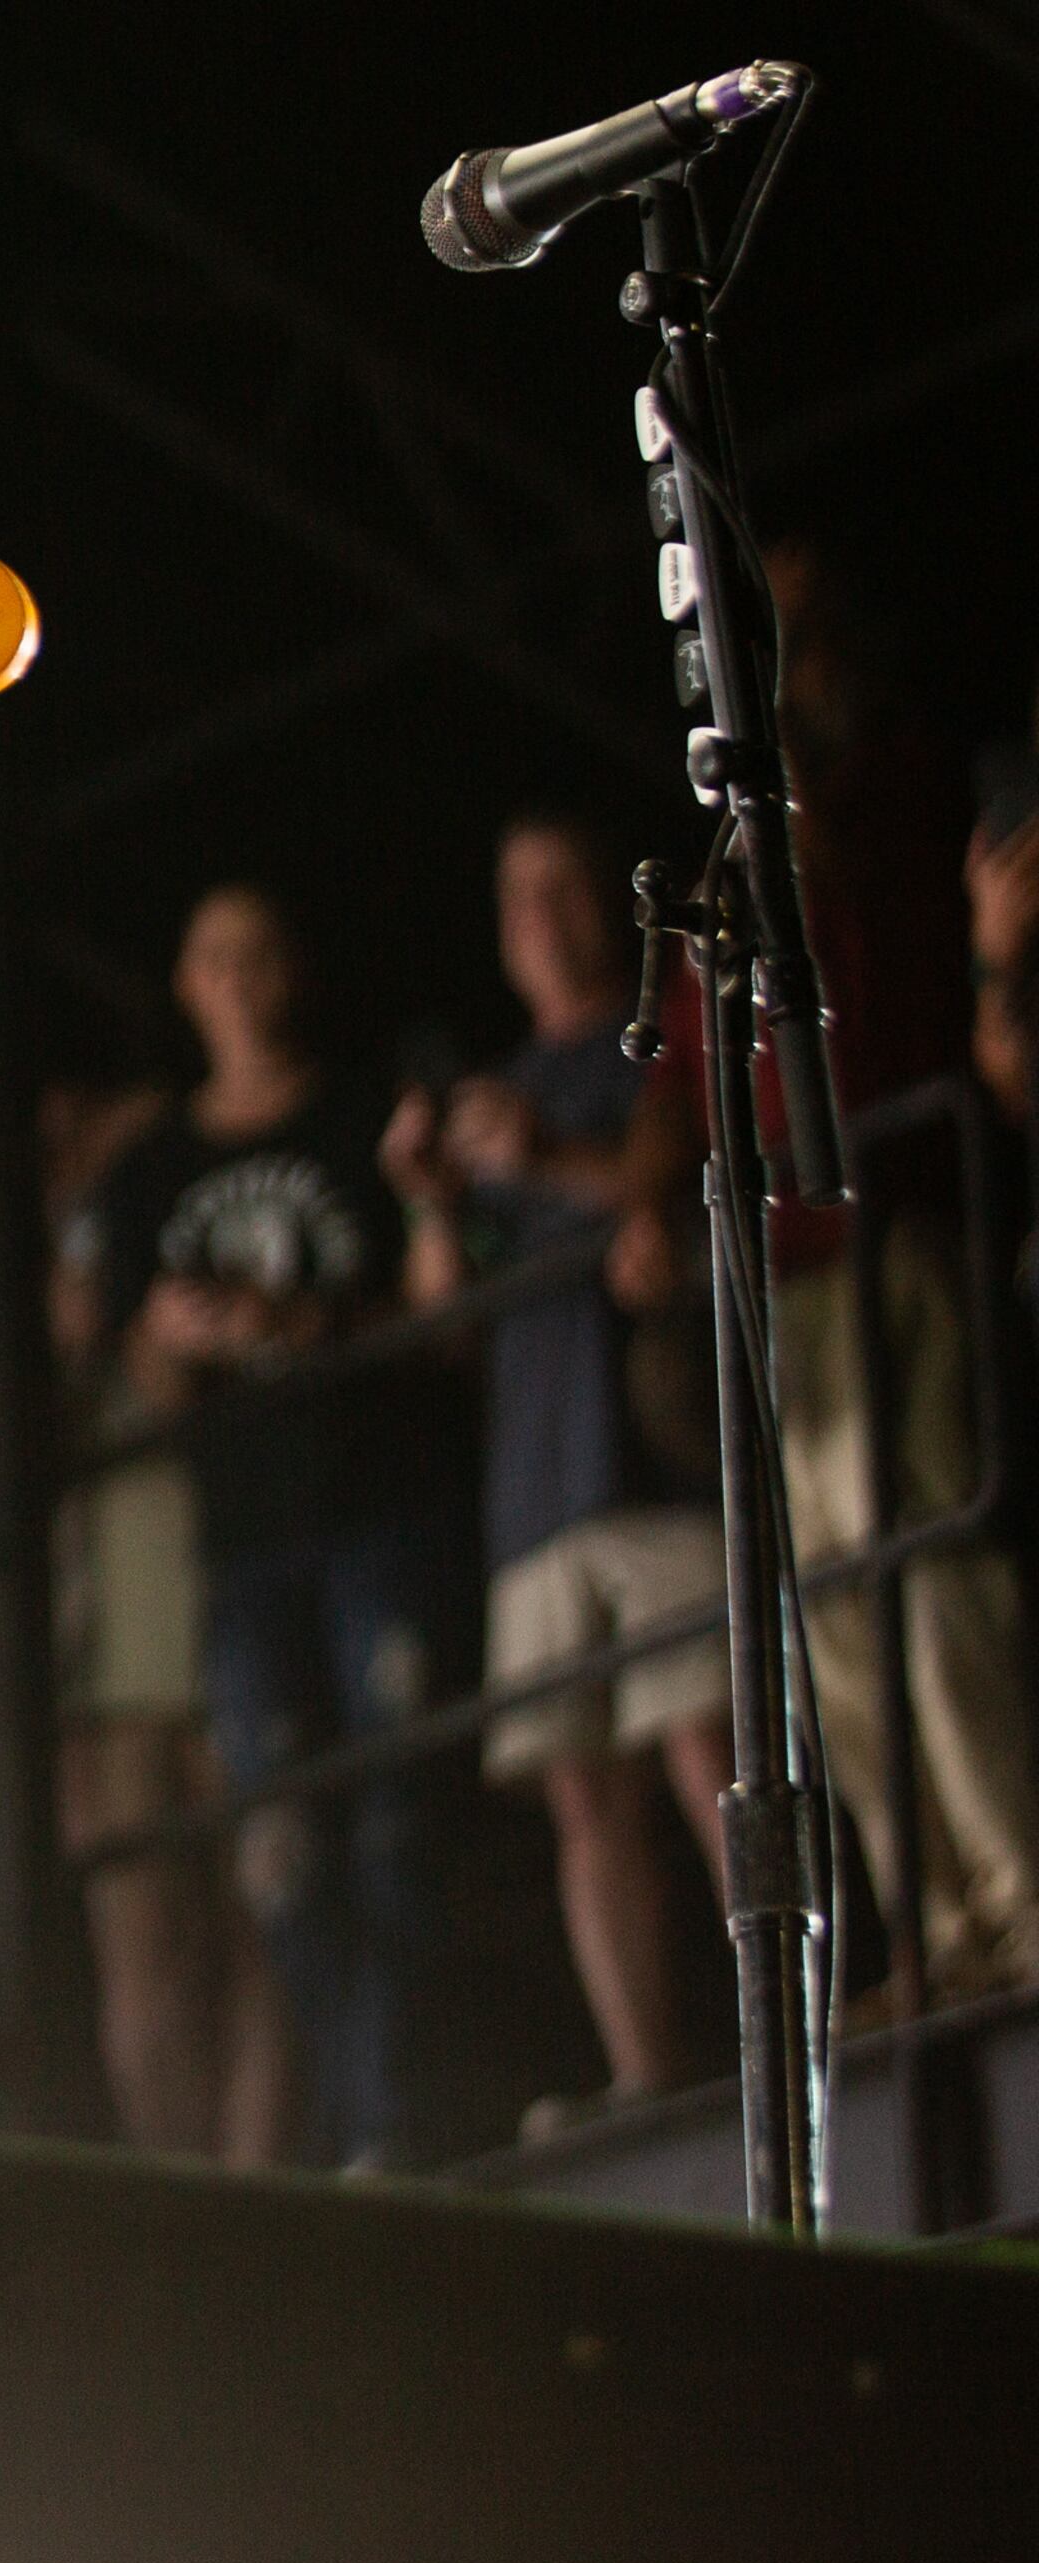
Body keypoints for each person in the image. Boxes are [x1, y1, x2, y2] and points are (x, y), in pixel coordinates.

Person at [642, 544, 1039, 2003]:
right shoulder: (727, 851)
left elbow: (883, 956)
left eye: (785, 643)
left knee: (930, 1583)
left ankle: (1025, 1898)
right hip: (782, 1276)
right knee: (837, 1626)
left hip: (890, 1237)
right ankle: (940, 1927)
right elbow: (686, 1063)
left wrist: (794, 707)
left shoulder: (897, 788)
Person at [82, 883, 469, 2168]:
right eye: (212, 956)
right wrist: (177, 1338)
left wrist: (300, 1325)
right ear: (187, 986)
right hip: (244, 1538)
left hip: (380, 1501)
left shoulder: (359, 1108)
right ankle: (362, 2119)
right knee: (283, 1851)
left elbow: (436, 1312)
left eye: (259, 950)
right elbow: (131, 1363)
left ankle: (395, 2113)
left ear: (292, 969)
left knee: (400, 1813)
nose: (238, 978)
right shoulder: (153, 1167)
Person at [382, 816, 730, 2129]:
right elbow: (442, 1318)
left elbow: (662, 1174)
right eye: (515, 888)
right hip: (534, 1480)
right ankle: (646, 2071)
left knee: (705, 1740)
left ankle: (784, 2012)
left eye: (563, 882)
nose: (542, 910)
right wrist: (428, 1195)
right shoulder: (505, 1087)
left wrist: (537, 1157)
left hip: (650, 1460)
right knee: (584, 1788)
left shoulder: (651, 1040)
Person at [45, 1078, 292, 2165]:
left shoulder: (181, 1242)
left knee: (267, 1943)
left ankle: (257, 2184)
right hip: (113, 1694)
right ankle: (178, 2188)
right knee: (145, 1973)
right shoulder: (49, 1366)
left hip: (239, 1657)